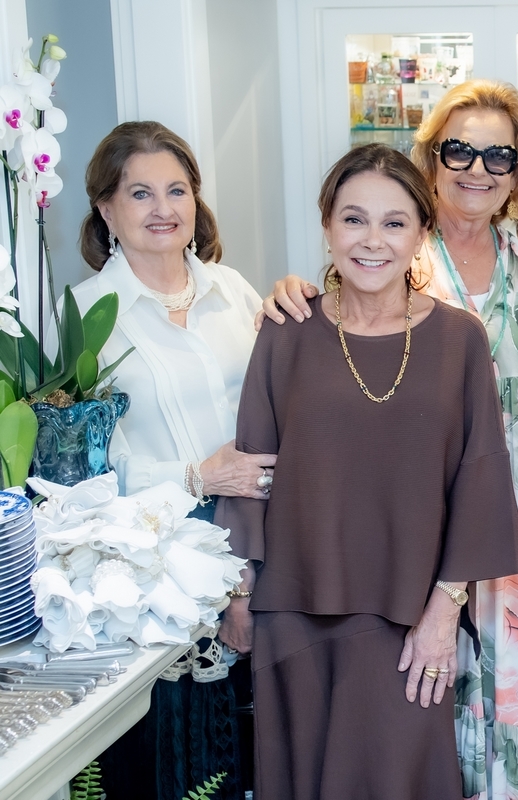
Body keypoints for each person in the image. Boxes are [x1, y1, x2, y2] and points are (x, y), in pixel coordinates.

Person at [259, 80, 518, 799]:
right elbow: (332, 333)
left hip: (505, 523)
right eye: (459, 149)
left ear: (517, 171)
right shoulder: (398, 252)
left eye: (498, 155)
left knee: (510, 710)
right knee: (419, 715)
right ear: (431, 158)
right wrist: (286, 294)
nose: (478, 168)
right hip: (408, 535)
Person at [215, 143, 518, 798]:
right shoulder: (286, 330)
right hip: (293, 613)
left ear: (421, 233)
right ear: (328, 226)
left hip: (408, 619)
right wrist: (239, 594)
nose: (372, 240)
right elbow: (251, 467)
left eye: (394, 222)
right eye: (354, 219)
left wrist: (444, 611)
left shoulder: (460, 338)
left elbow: (479, 480)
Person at [72, 121, 270, 799]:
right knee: (190, 762)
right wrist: (195, 476)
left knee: (269, 748)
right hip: (163, 575)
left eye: (177, 190)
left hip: (265, 548)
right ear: (106, 209)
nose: (163, 209)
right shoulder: (85, 316)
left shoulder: (235, 291)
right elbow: (83, 471)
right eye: (140, 193)